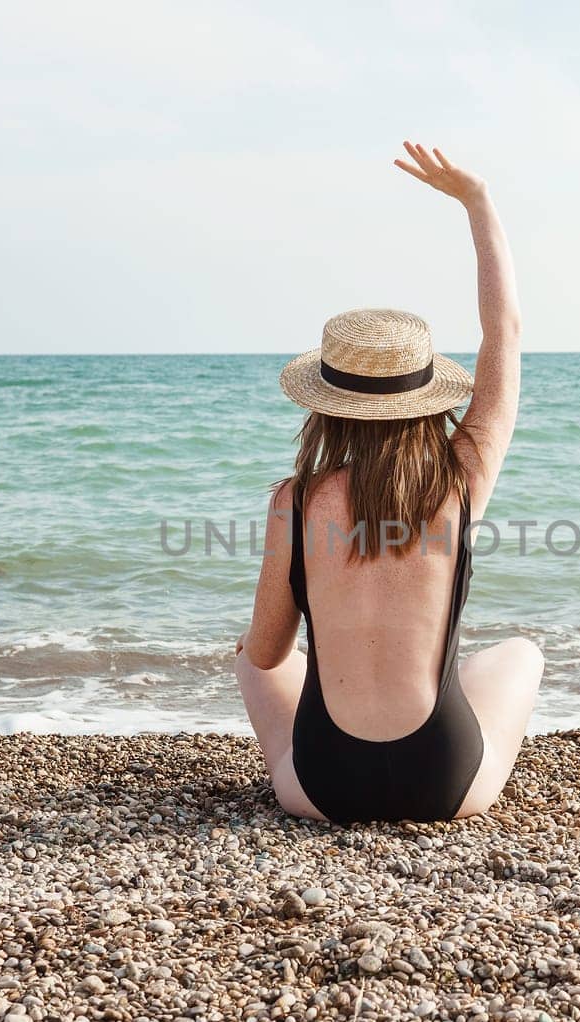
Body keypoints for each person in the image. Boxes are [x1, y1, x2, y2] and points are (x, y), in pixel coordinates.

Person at [234, 141, 541, 823]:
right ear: (428, 396)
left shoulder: (297, 501)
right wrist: (478, 199)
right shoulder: (462, 479)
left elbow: (267, 651)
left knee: (252, 660)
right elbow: (505, 332)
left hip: (322, 790)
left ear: (324, 402)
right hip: (446, 784)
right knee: (519, 654)